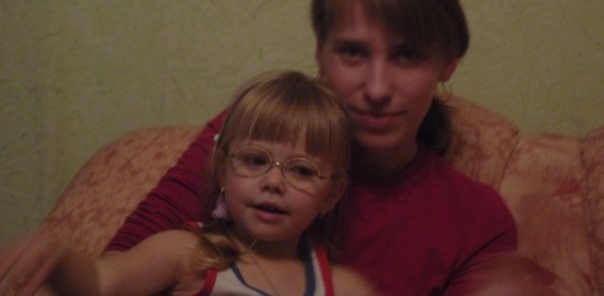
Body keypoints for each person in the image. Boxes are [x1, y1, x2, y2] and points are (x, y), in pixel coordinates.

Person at [1, 0, 562, 295]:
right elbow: (119, 270)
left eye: (408, 55)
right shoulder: (254, 134)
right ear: (320, 53)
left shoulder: (475, 220)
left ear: (448, 61)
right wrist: (57, 260)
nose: (376, 88)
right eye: (353, 52)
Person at [0, 71, 377, 295]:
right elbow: (101, 283)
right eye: (255, 160)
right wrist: (59, 258)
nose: (274, 181)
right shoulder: (186, 254)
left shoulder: (344, 288)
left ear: (332, 194)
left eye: (301, 171)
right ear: (222, 169)